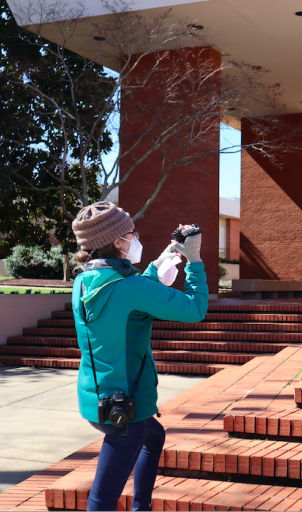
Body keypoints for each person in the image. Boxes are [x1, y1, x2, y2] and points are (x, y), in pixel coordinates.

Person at [70, 202, 208, 510]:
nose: (136, 238)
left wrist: (163, 259)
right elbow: (195, 309)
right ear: (117, 241)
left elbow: (128, 295)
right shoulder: (131, 287)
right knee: (101, 502)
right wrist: (194, 260)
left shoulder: (84, 281)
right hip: (127, 407)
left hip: (96, 398)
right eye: (133, 233)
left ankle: (141, 507)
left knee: (154, 437)